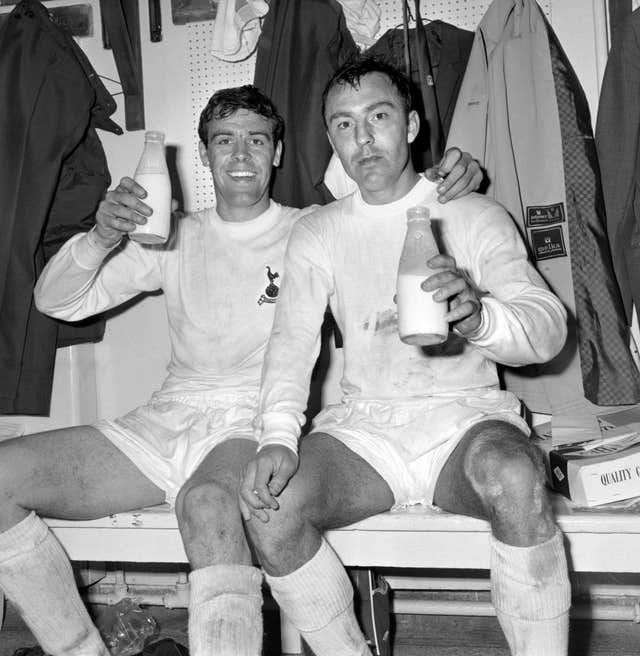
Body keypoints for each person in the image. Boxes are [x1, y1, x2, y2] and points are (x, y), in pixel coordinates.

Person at [0, 83, 481, 656]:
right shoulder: (174, 234)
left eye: (257, 140)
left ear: (277, 152)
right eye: (224, 141)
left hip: (254, 422)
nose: (240, 155)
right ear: (204, 155)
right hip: (168, 417)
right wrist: (103, 236)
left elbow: (395, 207)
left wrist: (453, 180)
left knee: (207, 505)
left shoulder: (313, 228)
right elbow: (58, 301)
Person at [240, 58, 571, 656]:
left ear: (413, 125)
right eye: (343, 125)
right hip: (368, 432)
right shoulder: (320, 231)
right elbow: (290, 344)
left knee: (516, 477)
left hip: (465, 419)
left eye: (379, 116)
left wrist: (478, 316)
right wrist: (276, 436)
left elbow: (548, 330)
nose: (362, 139)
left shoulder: (471, 212)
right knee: (271, 507)